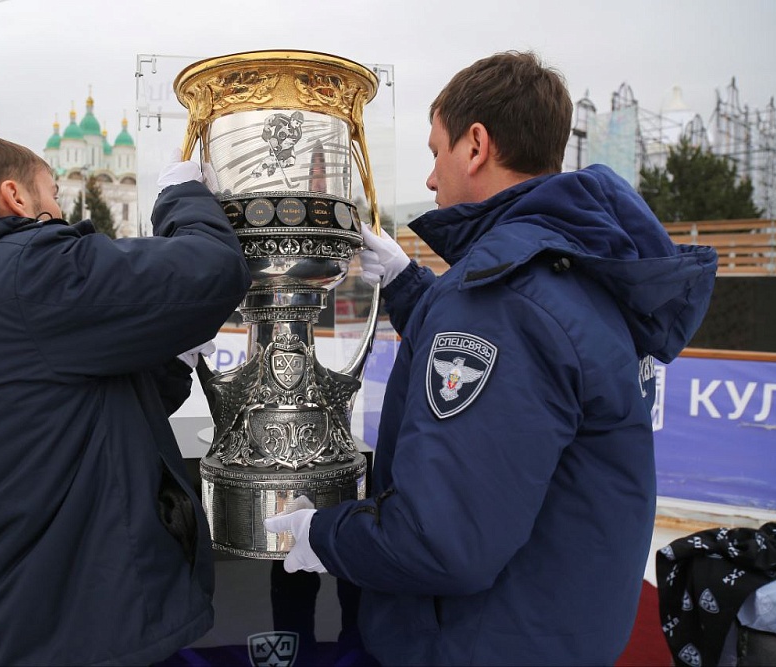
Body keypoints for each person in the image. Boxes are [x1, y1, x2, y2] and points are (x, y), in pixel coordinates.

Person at [265, 51, 718, 665]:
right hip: (552, 624)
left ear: (476, 145)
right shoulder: (572, 268)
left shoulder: (500, 302)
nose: (429, 179)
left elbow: (444, 540)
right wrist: (409, 286)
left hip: (483, 642)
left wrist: (322, 536)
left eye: (435, 153)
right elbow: (527, 354)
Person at [0, 136, 251, 666]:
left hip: (19, 612)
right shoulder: (30, 268)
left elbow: (64, 414)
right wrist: (181, 195)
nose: (61, 209)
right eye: (53, 192)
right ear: (15, 197)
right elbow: (212, 272)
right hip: (82, 618)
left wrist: (174, 357)